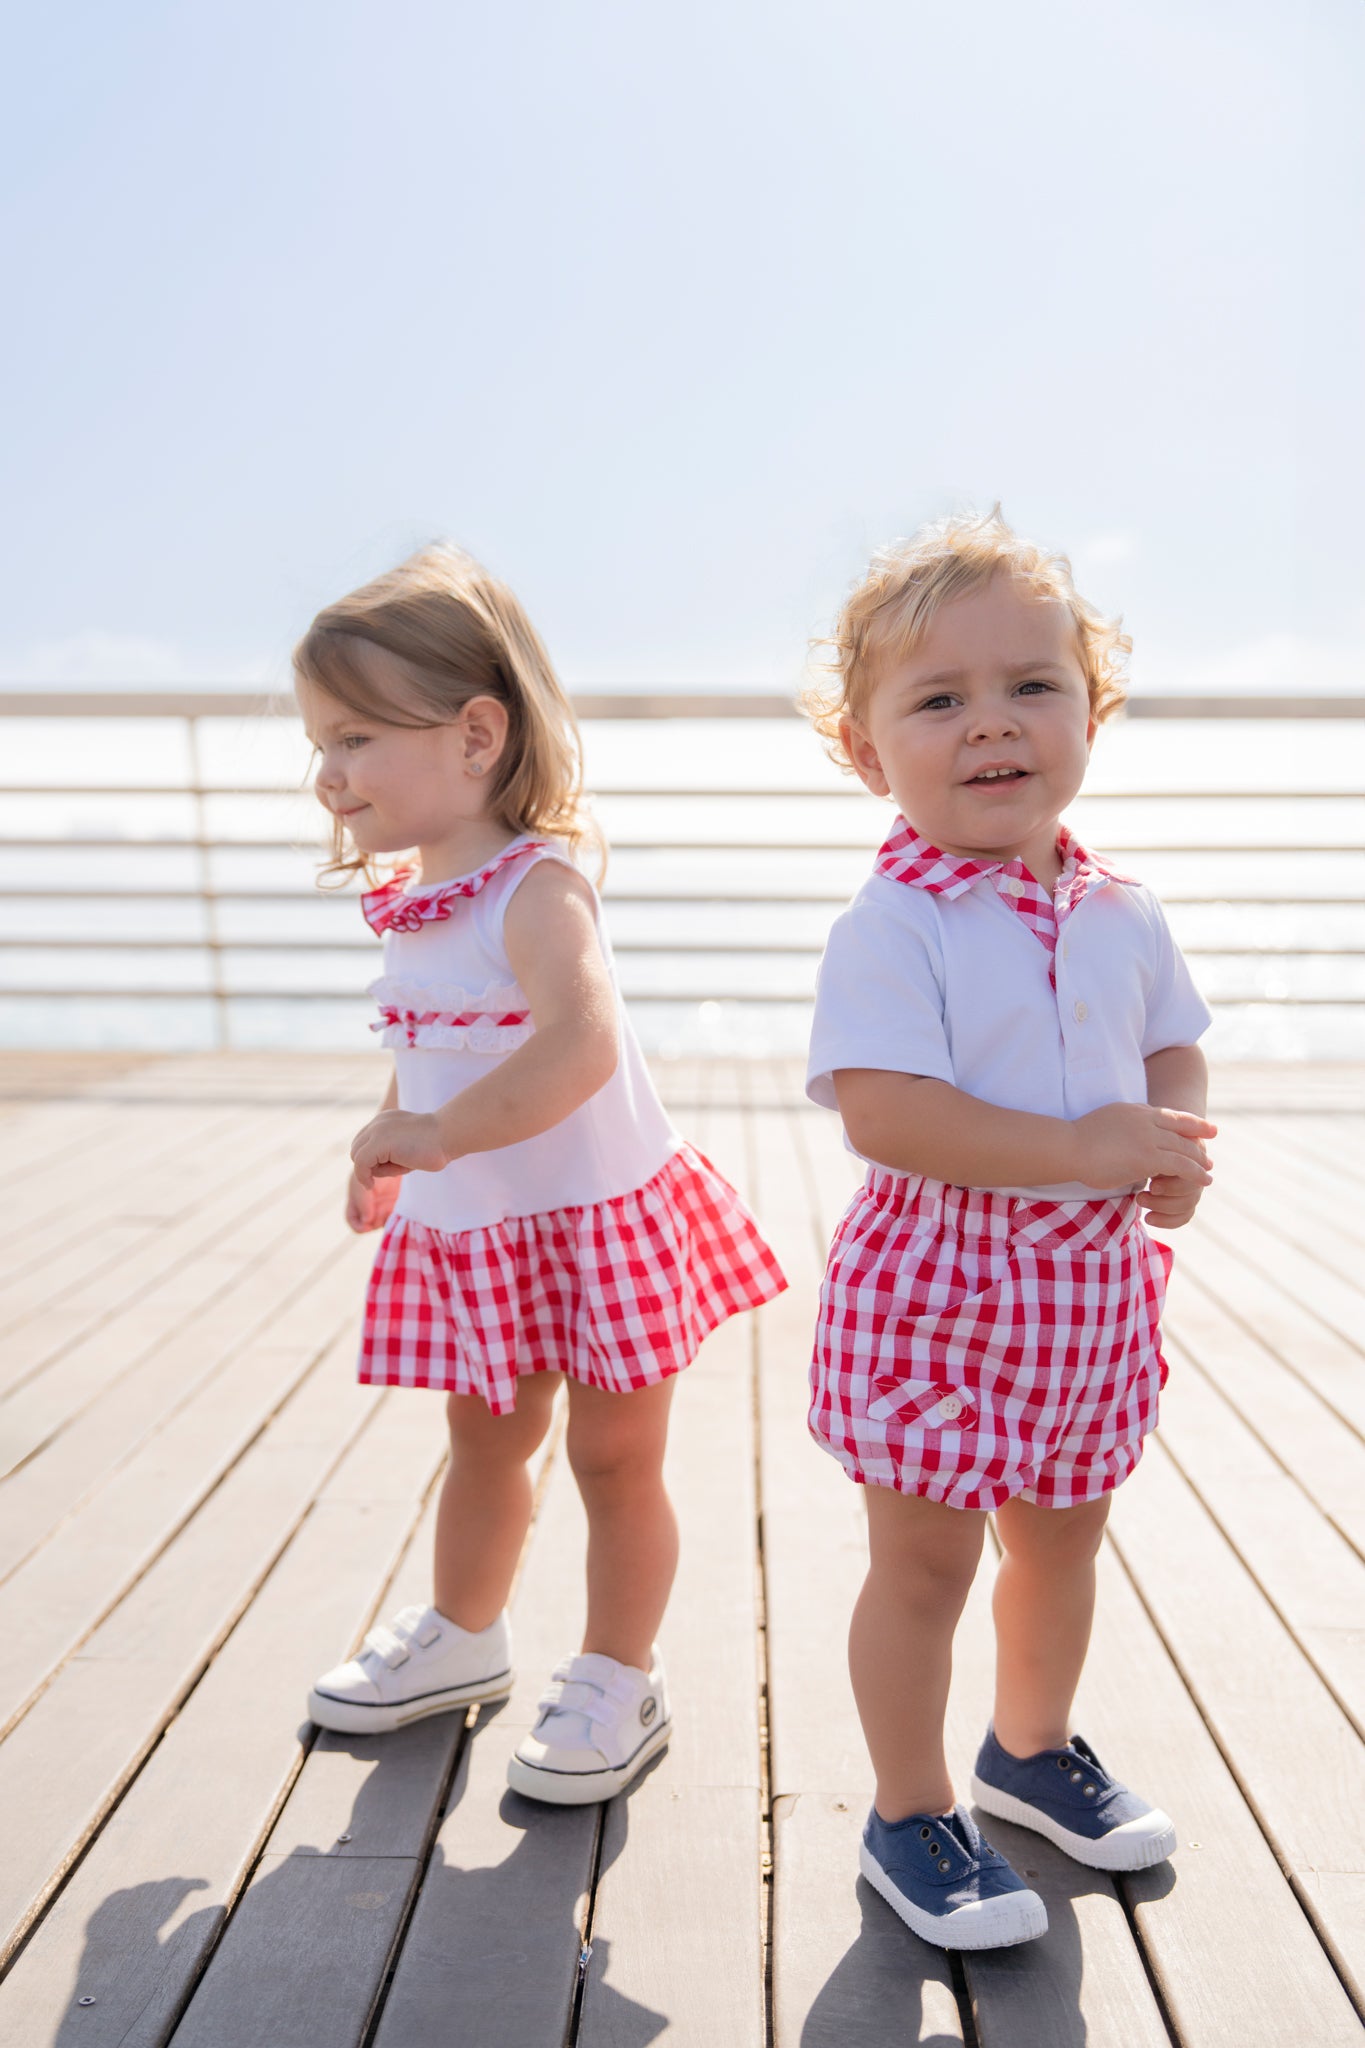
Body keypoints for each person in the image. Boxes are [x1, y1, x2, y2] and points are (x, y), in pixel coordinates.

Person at [297, 543, 786, 1802]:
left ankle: (621, 1672)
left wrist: (438, 1135)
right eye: (319, 743)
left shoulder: (536, 885)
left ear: (475, 734)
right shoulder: (417, 898)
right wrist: (392, 1137)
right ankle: (465, 1632)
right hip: (482, 1228)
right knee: (484, 1437)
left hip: (594, 1220)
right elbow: (432, 1044)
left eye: (355, 737)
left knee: (614, 1456)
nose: (327, 772)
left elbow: (578, 1044)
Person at [802, 509, 1215, 1949]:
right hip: (937, 1289)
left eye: (1031, 685)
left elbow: (1170, 1047)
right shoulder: (896, 924)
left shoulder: (1123, 909)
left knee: (1061, 1542)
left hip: (1089, 1294)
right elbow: (885, 1113)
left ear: (1092, 712)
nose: (991, 723)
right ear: (868, 753)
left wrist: (1172, 1139)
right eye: (938, 699)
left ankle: (1029, 1748)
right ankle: (910, 1811)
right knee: (926, 1565)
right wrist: (1078, 1150)